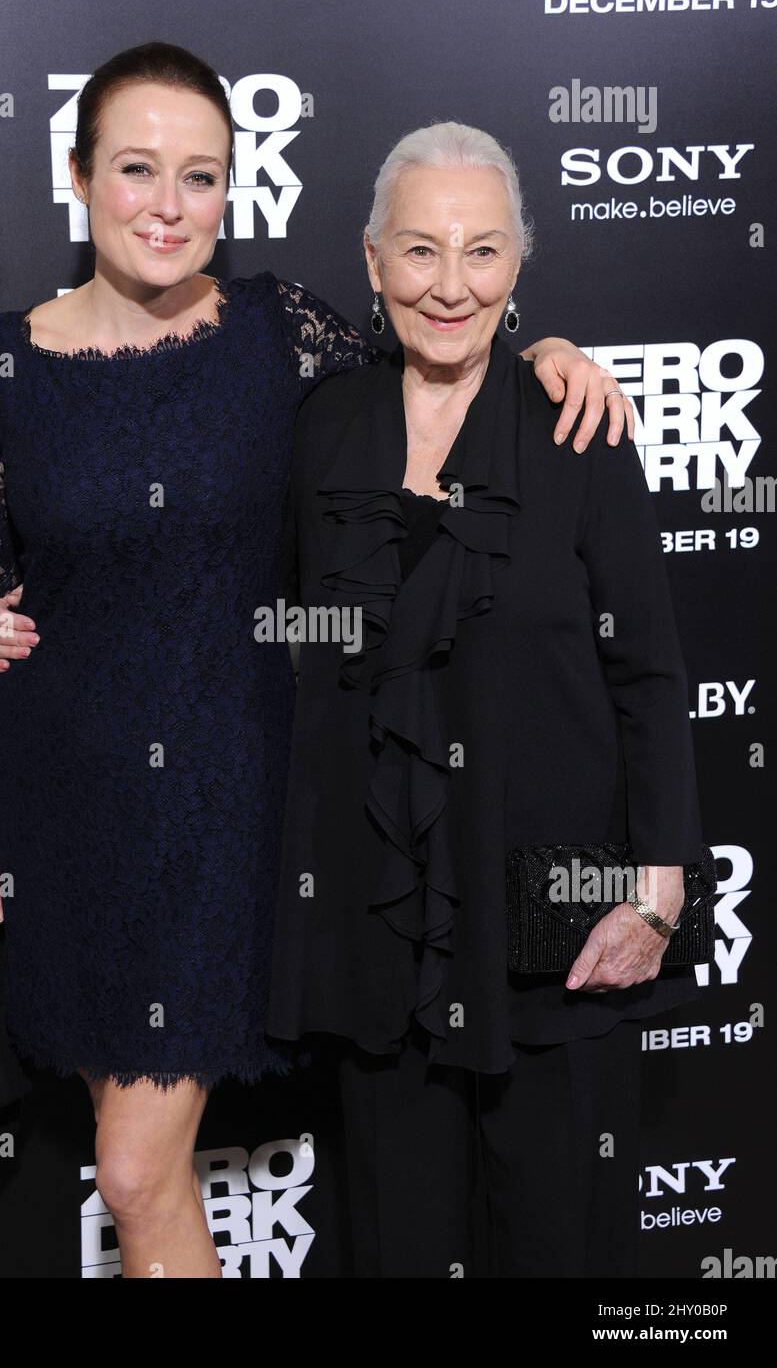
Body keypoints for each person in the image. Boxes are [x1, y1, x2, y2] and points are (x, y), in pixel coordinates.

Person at [0, 42, 631, 1280]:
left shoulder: (280, 333)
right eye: (138, 170)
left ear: (232, 190)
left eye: (200, 176)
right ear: (77, 174)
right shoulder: (2, 360)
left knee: (137, 1169)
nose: (168, 204)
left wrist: (544, 354)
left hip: (229, 807)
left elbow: (432, 362)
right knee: (131, 1172)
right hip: (70, 805)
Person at [263, 122, 707, 1278]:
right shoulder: (323, 431)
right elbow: (257, 630)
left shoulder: (575, 426)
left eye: (481, 251)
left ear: (518, 265)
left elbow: (648, 674)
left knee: (560, 1249)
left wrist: (656, 896)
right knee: (394, 1246)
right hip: (378, 926)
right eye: (419, 251)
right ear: (369, 262)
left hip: (552, 922)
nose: (448, 286)